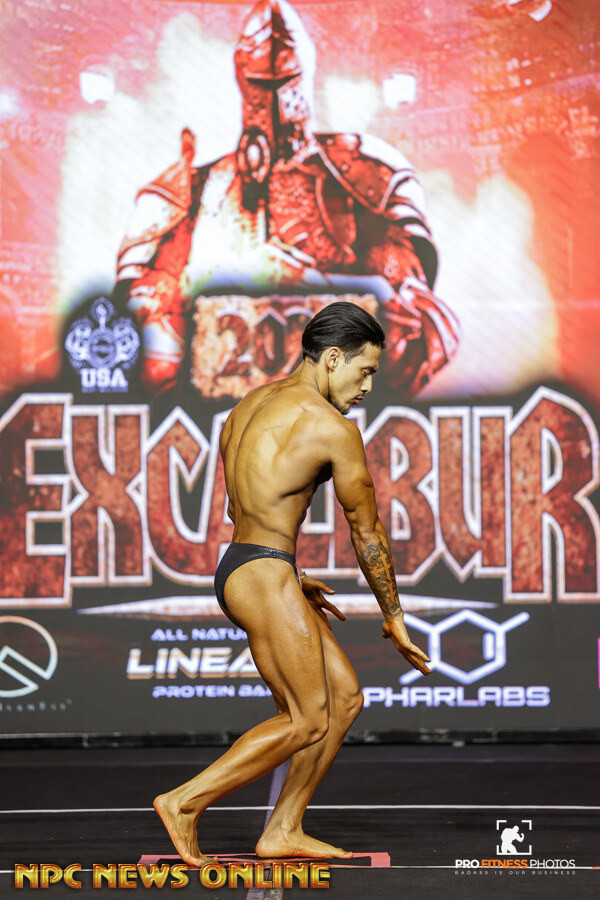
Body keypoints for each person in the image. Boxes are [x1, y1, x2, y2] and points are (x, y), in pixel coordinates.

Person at [153, 301, 431, 866]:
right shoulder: (334, 429)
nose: (367, 387)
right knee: (306, 718)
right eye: (365, 371)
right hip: (263, 575)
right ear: (333, 359)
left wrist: (291, 574)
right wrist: (393, 615)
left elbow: (242, 508)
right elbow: (367, 532)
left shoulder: (244, 408)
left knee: (344, 699)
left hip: (247, 564)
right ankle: (183, 802)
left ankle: (283, 829)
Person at [115, 0, 458, 396]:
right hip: (221, 411)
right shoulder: (189, 190)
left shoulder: (365, 174)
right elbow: (136, 325)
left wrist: (309, 284)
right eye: (262, 84)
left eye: (285, 81)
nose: (275, 98)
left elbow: (421, 319)